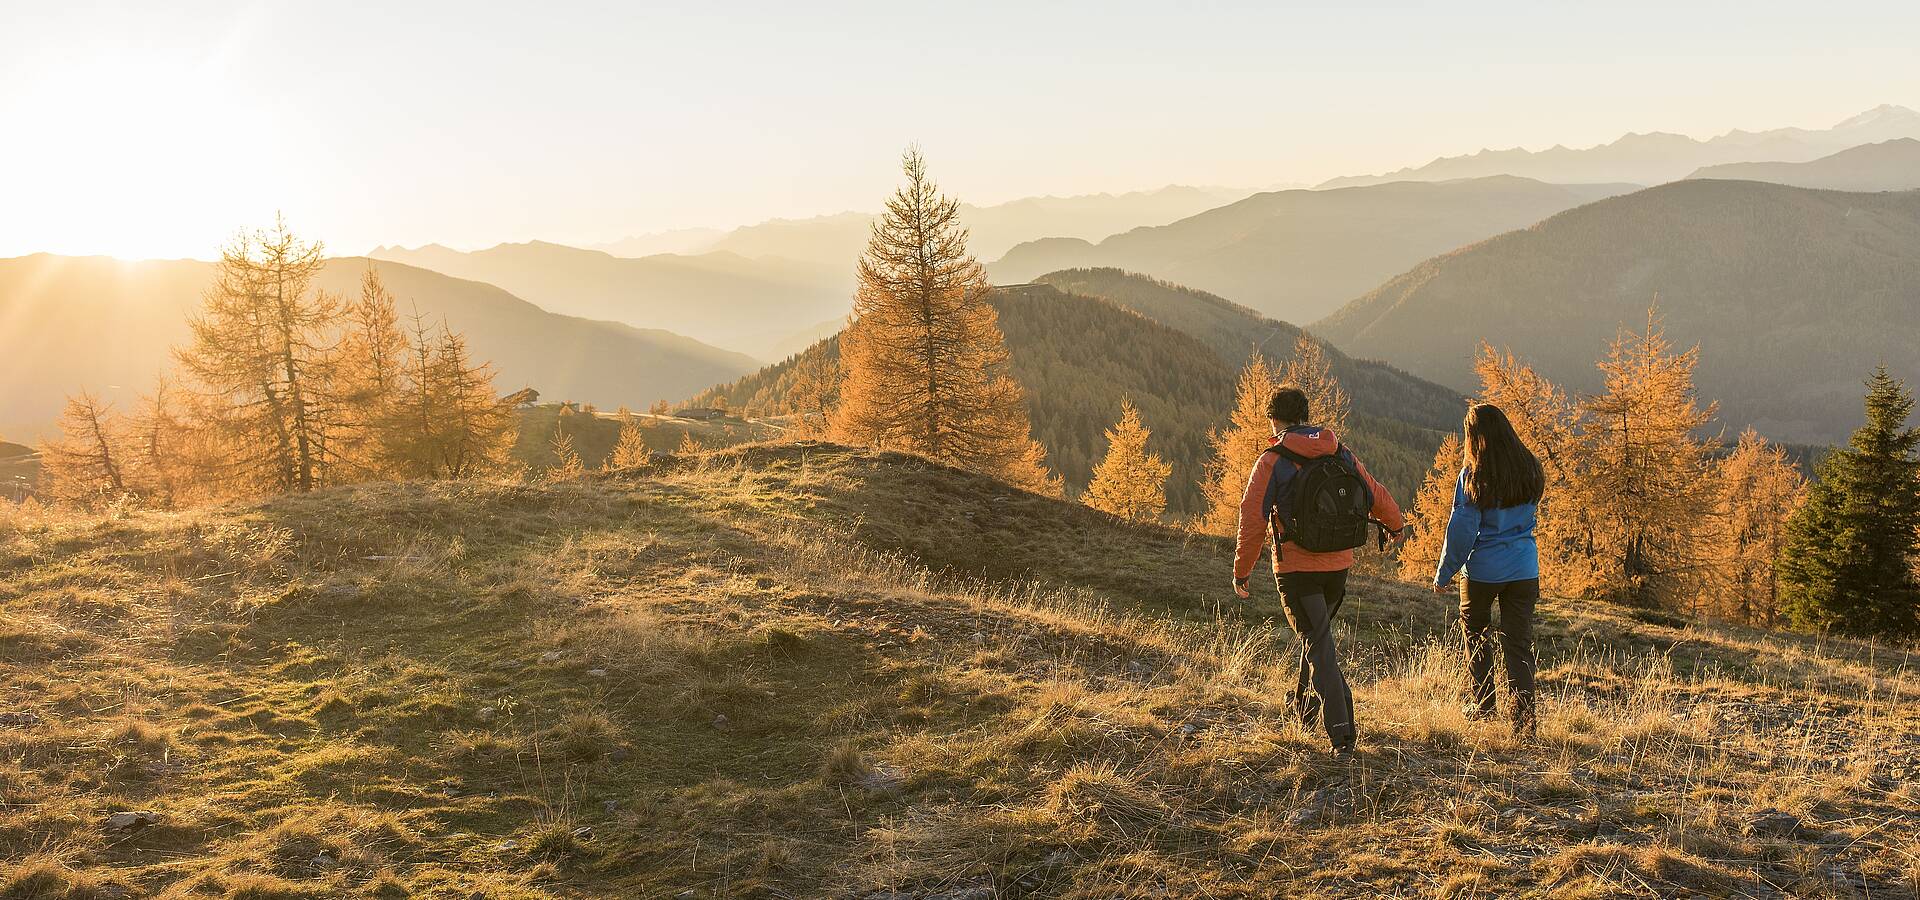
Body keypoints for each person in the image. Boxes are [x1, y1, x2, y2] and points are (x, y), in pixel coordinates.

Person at [1233, 386, 1406, 756]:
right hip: (1339, 566)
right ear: (1305, 416)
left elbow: (1252, 518)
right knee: (1317, 636)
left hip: (1297, 569)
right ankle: (1301, 706)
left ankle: (1343, 735)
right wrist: (1396, 526)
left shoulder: (1272, 460)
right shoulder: (1339, 451)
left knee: (1319, 644)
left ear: (1273, 420)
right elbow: (1373, 491)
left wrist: (1241, 571)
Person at [1433, 402, 1546, 738]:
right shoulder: (1531, 468)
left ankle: (1483, 706)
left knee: (1477, 633)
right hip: (1524, 568)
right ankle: (1524, 723)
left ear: (1474, 437)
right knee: (1519, 643)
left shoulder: (1474, 475)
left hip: (1482, 572)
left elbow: (1462, 529)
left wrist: (1445, 572)